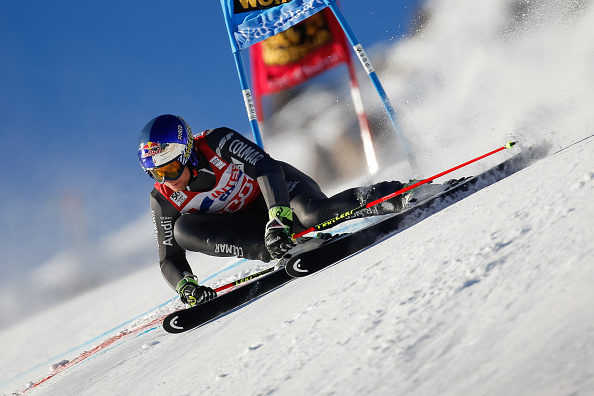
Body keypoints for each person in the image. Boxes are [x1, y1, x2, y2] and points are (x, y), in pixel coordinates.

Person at [138, 114, 411, 308]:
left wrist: (278, 217)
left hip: (281, 194)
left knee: (314, 216)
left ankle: (401, 194)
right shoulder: (163, 198)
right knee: (182, 230)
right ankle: (286, 248)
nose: (167, 179)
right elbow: (169, 258)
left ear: (187, 152)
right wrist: (185, 287)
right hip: (252, 228)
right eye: (156, 173)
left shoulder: (216, 142)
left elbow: (267, 168)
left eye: (170, 168)